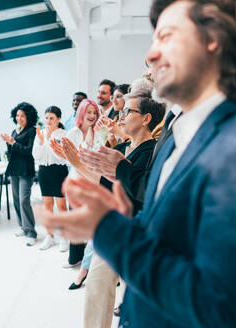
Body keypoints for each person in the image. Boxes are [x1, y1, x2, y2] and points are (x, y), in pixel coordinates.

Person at [37, 1, 236, 327]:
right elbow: (167, 243)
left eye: (165, 37)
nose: (151, 55)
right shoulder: (176, 132)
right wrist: (122, 221)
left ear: (214, 37)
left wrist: (108, 230)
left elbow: (220, 311)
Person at [59, 89, 165, 327]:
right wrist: (74, 161)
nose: (121, 116)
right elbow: (103, 182)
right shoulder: (124, 146)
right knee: (96, 287)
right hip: (112, 227)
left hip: (132, 231)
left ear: (146, 118)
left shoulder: (150, 152)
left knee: (128, 296)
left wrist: (76, 162)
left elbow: (131, 190)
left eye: (128, 111)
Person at [50, 99, 100, 268]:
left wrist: (91, 139)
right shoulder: (72, 133)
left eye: (94, 112)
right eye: (89, 112)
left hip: (94, 182)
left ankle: (93, 259)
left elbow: (93, 158)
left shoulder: (100, 132)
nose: (92, 116)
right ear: (81, 114)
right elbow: (67, 159)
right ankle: (75, 258)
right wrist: (59, 152)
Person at [1, 102, 38, 247]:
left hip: (25, 169)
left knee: (24, 200)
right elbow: (12, 151)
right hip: (14, 169)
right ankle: (22, 226)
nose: (19, 118)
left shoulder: (32, 131)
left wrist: (13, 142)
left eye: (22, 115)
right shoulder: (15, 131)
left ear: (29, 116)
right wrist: (8, 143)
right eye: (17, 115)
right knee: (16, 200)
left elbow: (29, 151)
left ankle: (31, 232)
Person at [32, 106, 69, 251]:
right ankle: (50, 236)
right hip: (44, 171)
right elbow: (36, 156)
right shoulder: (40, 133)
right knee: (47, 205)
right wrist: (41, 142)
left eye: (52, 118)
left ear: (58, 119)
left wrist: (50, 144)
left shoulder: (63, 134)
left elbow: (62, 158)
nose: (48, 121)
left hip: (58, 171)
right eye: (46, 117)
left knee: (61, 206)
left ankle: (64, 237)